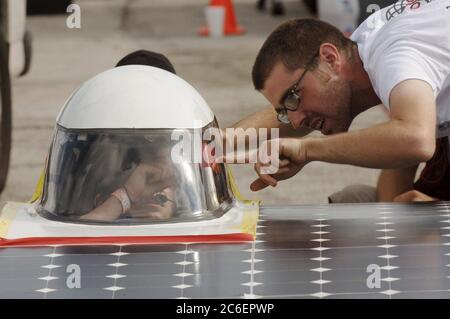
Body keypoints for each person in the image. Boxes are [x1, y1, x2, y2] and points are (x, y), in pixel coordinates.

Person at [232, 0, 450, 203]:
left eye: (292, 97)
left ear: (329, 58)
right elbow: (403, 148)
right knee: (354, 201)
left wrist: (306, 150)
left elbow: (415, 139)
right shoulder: (366, 46)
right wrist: (225, 141)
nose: (296, 122)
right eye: (285, 110)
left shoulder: (396, 54)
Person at [81, 50, 178, 221]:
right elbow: (71, 228)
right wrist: (126, 196)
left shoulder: (190, 153)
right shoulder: (99, 152)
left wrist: (170, 202)